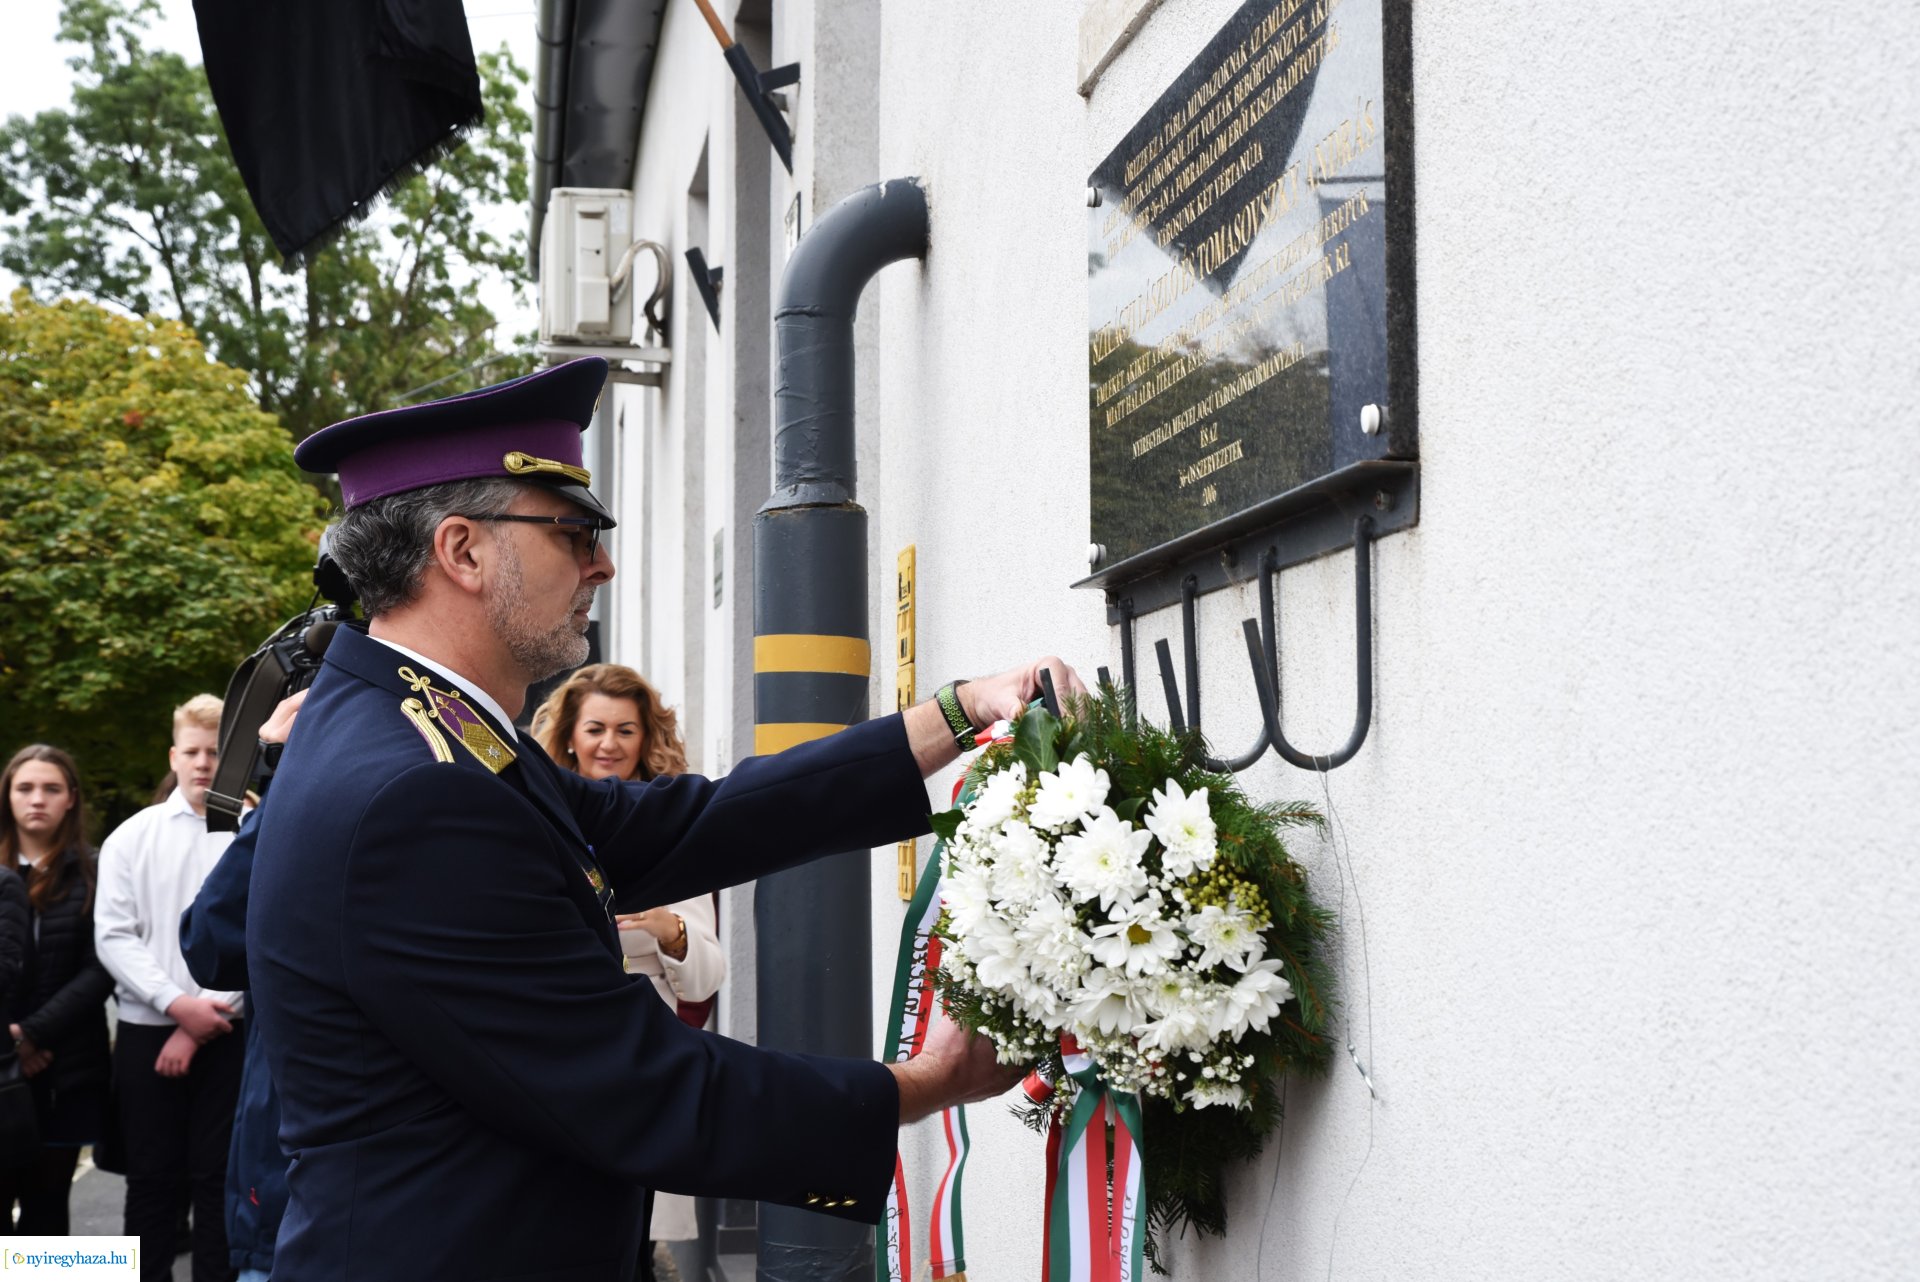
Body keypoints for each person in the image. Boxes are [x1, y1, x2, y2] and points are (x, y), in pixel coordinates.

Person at [250, 356, 1082, 1280]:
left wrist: (953, 718)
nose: (602, 563)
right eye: (574, 532)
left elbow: (684, 824)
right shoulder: (415, 786)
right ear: (463, 551)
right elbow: (636, 1085)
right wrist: (927, 1084)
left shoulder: (426, 732)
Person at [532, 665, 724, 1279]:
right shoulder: (532, 810)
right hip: (548, 1054)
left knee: (631, 1239)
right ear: (568, 736)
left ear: (646, 739)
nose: (609, 744)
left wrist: (668, 929)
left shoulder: (669, 826)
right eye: (595, 729)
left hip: (641, 1060)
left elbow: (708, 978)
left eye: (625, 730)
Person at [96, 696, 246, 1282]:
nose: (204, 763)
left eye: (215, 751)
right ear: (173, 755)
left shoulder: (253, 830)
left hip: (230, 1032)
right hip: (145, 1033)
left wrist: (215, 1010)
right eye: (192, 751)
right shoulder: (131, 838)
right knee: (152, 1180)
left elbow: (263, 931)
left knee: (220, 1181)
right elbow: (113, 935)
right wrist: (177, 1006)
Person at [180, 691, 304, 1282]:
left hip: (305, 1159)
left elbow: (210, 942)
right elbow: (210, 946)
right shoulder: (139, 834)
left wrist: (284, 781)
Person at [1, 746, 115, 1233]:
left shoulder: (96, 871)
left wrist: (32, 1034)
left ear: (71, 798)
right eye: (25, 788)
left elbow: (101, 967)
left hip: (66, 1069)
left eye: (51, 788)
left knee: (47, 1222)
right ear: (7, 796)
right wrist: (8, 1042)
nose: (37, 799)